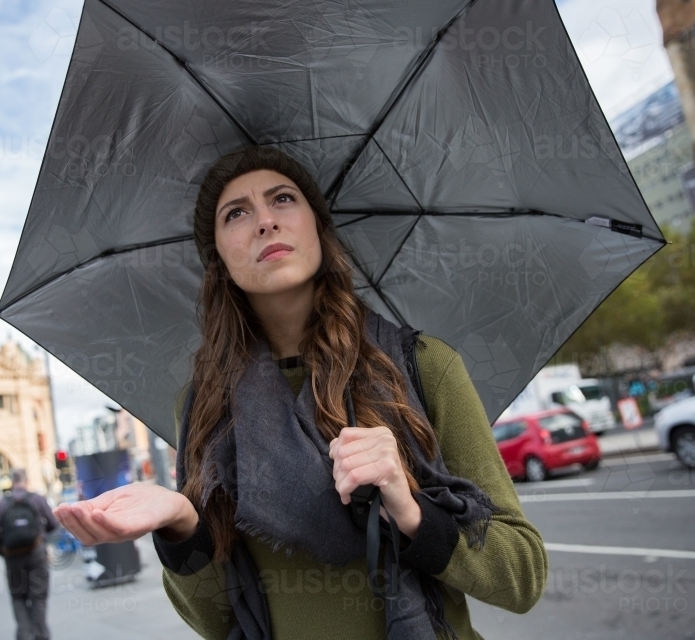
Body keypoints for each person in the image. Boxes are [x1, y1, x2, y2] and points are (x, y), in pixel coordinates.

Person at [55, 146, 548, 639]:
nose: (265, 222)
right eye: (237, 213)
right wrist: (183, 523)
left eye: (283, 199)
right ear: (220, 259)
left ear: (318, 227)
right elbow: (214, 620)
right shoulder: (205, 405)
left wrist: (411, 509)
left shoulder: (422, 366)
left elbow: (522, 577)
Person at [0, 468, 60, 640]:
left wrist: (3, 551)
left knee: (18, 597)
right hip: (36, 554)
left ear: (12, 482)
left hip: (12, 557)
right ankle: (40, 635)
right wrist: (42, 541)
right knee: (38, 596)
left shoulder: (2, 504)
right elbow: (53, 524)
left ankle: (23, 633)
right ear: (26, 480)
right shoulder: (37, 499)